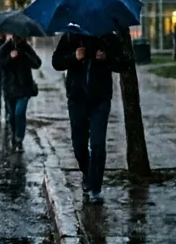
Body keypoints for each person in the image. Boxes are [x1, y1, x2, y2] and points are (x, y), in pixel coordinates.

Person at [52, 30, 129, 204]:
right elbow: (56, 62)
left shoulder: (108, 37)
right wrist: (74, 57)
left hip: (100, 100)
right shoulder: (71, 36)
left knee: (97, 143)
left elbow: (125, 63)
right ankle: (88, 173)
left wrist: (107, 58)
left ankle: (96, 187)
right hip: (77, 100)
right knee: (79, 145)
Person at [0, 34, 41, 147]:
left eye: (22, 37)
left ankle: (19, 138)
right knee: (12, 115)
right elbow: (0, 64)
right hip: (9, 88)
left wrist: (25, 55)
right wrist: (10, 57)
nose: (20, 39)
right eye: (18, 37)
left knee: (19, 112)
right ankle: (14, 133)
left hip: (24, 88)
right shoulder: (5, 48)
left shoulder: (26, 48)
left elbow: (37, 63)